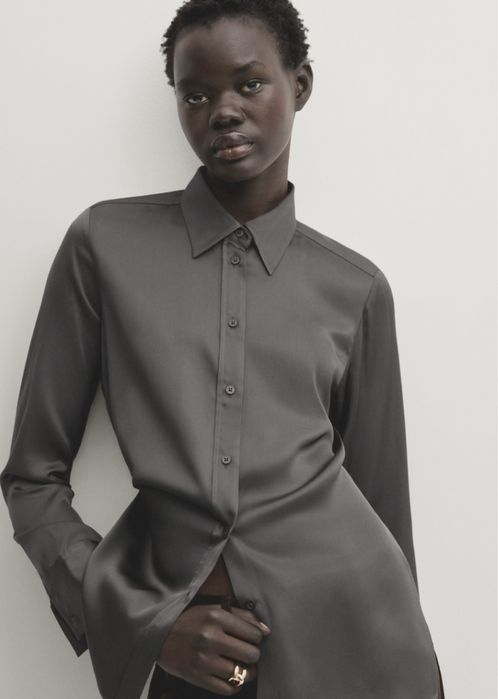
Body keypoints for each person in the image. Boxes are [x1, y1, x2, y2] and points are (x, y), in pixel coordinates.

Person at [1, 1, 445, 698]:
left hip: (353, 643)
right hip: (197, 658)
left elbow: (385, 515)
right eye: (196, 94)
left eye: (250, 83)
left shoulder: (355, 289)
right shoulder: (104, 246)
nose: (223, 111)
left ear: (300, 84)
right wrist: (146, 625)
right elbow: (31, 478)